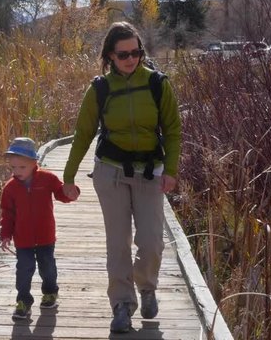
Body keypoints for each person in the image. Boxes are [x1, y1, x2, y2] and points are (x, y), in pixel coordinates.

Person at [61, 21, 181, 334]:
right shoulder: (100, 89)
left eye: (136, 52)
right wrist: (68, 176)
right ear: (110, 56)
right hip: (110, 170)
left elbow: (172, 130)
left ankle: (147, 286)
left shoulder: (157, 84)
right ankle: (122, 305)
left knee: (152, 241)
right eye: (123, 54)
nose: (130, 59)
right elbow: (83, 134)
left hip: (149, 171)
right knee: (118, 243)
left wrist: (171, 170)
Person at [0, 137, 78, 320]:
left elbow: (61, 194)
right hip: (23, 239)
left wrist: (71, 193)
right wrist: (5, 235)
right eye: (13, 168)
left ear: (34, 163)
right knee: (24, 269)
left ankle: (50, 292)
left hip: (45, 236)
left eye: (22, 167)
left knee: (47, 267)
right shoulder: (10, 189)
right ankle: (23, 301)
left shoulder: (47, 179)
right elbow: (8, 214)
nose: (17, 172)